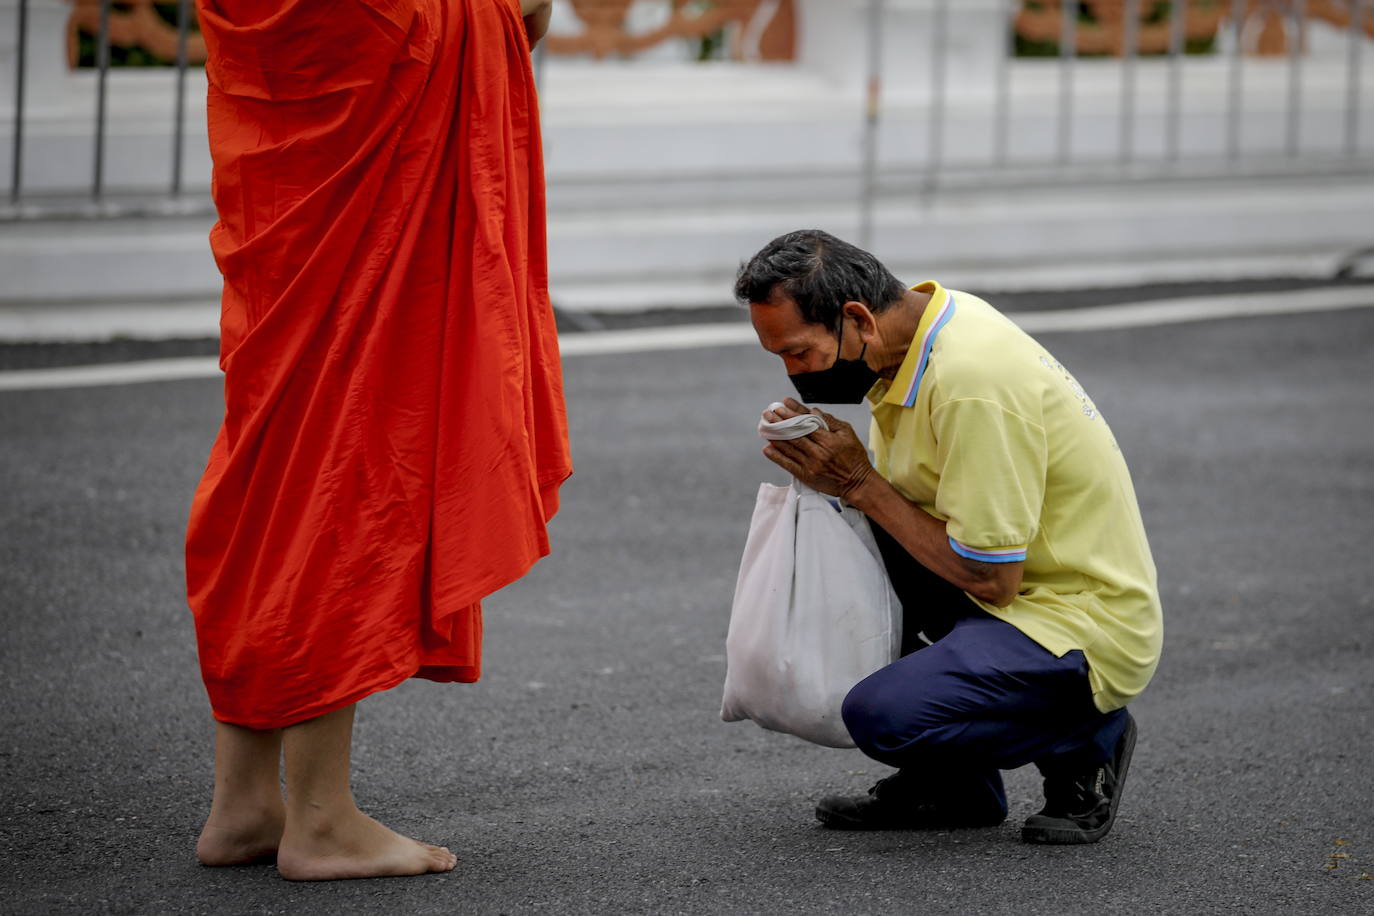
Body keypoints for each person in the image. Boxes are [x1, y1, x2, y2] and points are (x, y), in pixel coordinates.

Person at [185, 0, 569, 880]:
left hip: (281, 182)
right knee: (344, 464)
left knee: (271, 467)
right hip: (373, 90)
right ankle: (321, 819)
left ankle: (244, 801)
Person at [736, 229, 1162, 844]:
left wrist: (858, 481)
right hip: (1006, 591)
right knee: (850, 547)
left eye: (800, 352)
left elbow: (991, 576)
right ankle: (955, 786)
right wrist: (841, 484)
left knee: (881, 715)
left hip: (1073, 623)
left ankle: (1087, 736)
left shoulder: (970, 381)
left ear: (857, 319)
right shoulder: (919, 337)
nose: (794, 372)